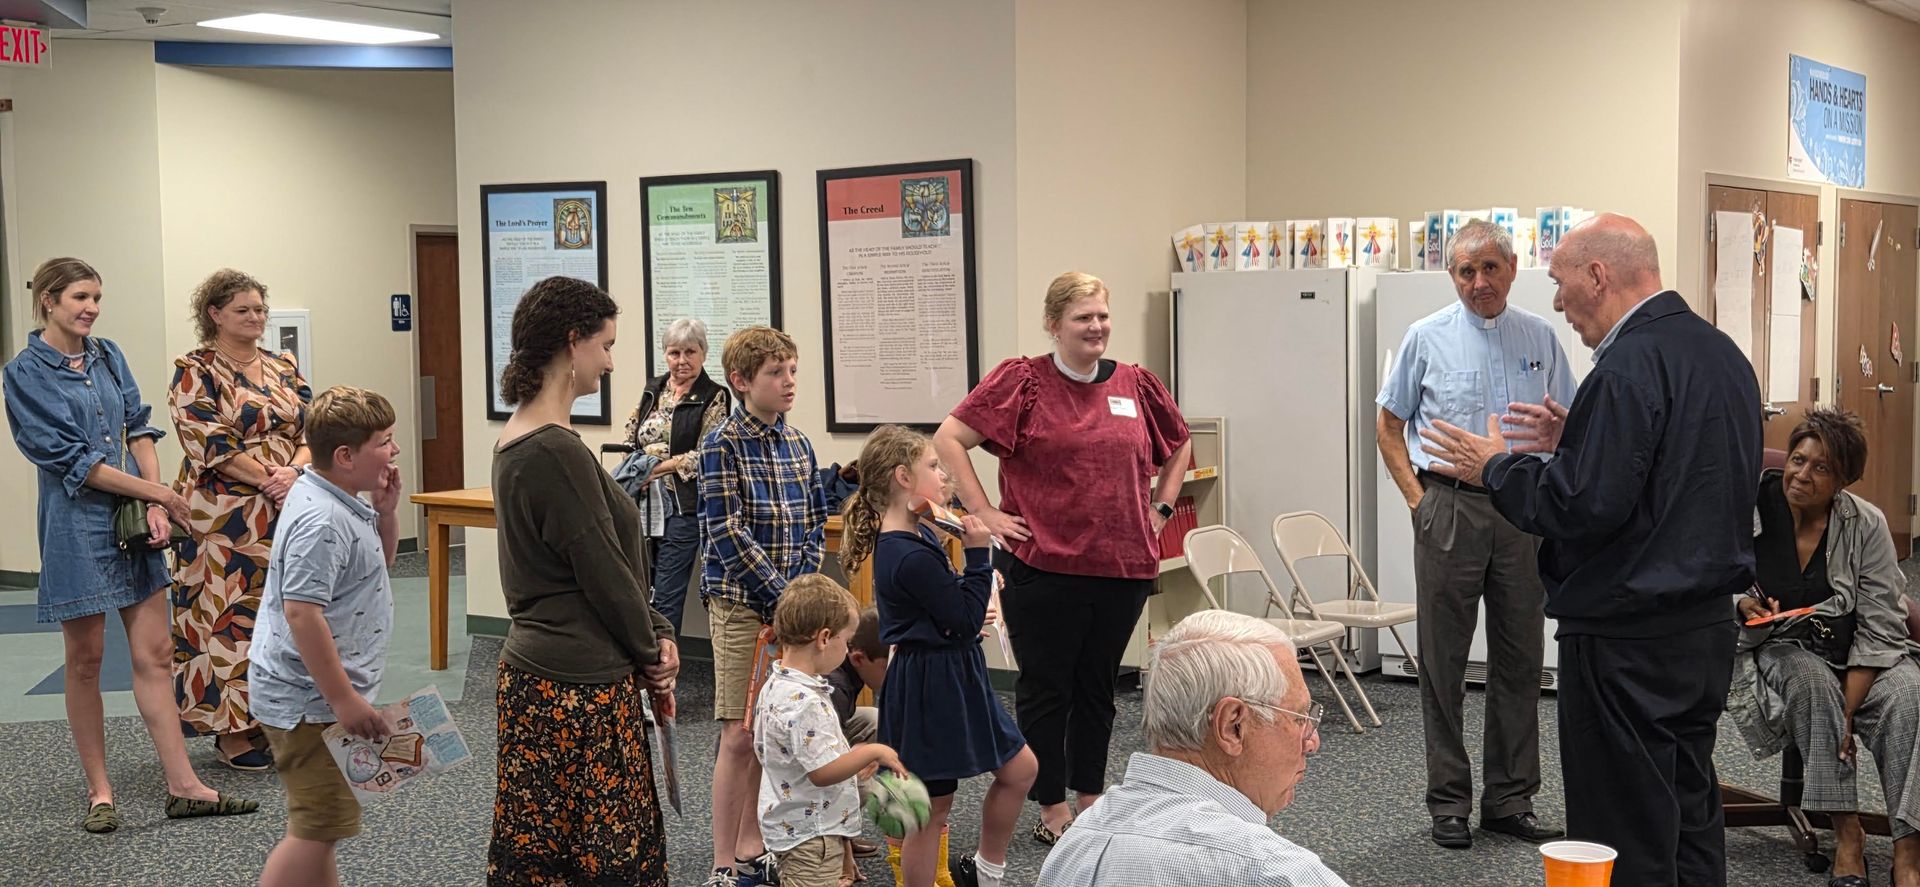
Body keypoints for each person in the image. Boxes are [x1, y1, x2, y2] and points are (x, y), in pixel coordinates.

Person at [1419, 213, 1762, 885]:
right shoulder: (1722, 355)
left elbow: (1580, 506)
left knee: (1625, 828)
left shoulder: (1627, 367)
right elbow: (1675, 469)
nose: (1554, 301)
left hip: (1626, 642)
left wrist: (1496, 466)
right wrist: (1580, 436)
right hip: (1704, 633)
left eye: (1560, 280)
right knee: (1690, 811)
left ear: (1598, 275)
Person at [934, 271, 1191, 845]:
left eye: (1102, 315)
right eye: (1082, 318)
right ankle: (1051, 807)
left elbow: (1178, 443)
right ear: (1054, 325)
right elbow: (948, 438)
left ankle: (1091, 798)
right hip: (1042, 565)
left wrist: (1162, 509)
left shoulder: (1136, 383)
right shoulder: (1022, 382)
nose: (1096, 327)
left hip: (1123, 566)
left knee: (1098, 687)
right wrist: (985, 515)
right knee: (1048, 689)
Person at [3, 257, 256, 834]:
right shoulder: (24, 372)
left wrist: (150, 503)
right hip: (74, 526)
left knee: (156, 656)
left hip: (133, 520)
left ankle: (184, 785)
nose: (91, 308)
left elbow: (139, 428)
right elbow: (73, 461)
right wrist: (161, 494)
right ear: (49, 301)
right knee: (86, 661)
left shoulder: (108, 355)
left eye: (96, 297)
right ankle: (100, 792)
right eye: (79, 298)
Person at [1374, 219, 1571, 848]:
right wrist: (1416, 501)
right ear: (1452, 276)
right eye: (1466, 271)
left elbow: (1568, 425)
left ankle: (1510, 799)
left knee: (1520, 659)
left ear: (1513, 270)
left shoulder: (1540, 338)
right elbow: (1388, 425)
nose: (1478, 283)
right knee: (1443, 664)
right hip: (1449, 510)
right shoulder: (1424, 337)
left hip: (1522, 514)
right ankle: (1449, 803)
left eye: (1490, 269)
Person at [487, 275, 679, 886]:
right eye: (605, 345)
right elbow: (605, 575)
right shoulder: (551, 450)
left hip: (550, 679)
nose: (610, 361)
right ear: (573, 343)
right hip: (575, 689)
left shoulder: (524, 438)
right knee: (599, 858)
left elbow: (608, 566)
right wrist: (653, 653)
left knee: (550, 853)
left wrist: (656, 631)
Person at [1728, 408, 1920, 887]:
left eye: (1821, 468)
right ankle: (1847, 833)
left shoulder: (1866, 525)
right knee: (1811, 681)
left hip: (1859, 650)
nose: (1802, 475)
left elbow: (1882, 625)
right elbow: (1705, 572)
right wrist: (1738, 604)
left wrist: (1849, 712)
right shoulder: (1745, 506)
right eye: (1798, 459)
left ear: (1844, 480)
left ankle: (1907, 849)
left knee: (1909, 690)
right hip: (1778, 647)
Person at [842, 425, 1038, 887]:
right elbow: (962, 620)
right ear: (902, 478)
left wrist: (978, 584)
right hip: (932, 682)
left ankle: (987, 872)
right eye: (932, 466)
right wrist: (978, 560)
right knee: (928, 810)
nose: (944, 475)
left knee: (1019, 768)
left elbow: (951, 609)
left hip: (951, 671)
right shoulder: (906, 552)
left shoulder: (917, 535)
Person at [1036, 609, 1345, 886]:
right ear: (1232, 726)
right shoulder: (1272, 871)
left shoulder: (1077, 843)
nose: (1312, 741)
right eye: (1299, 718)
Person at [251, 386, 402, 887]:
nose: (394, 450)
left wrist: (385, 511)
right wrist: (344, 701)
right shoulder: (323, 519)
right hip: (310, 703)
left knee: (324, 825)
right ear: (344, 456)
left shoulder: (336, 496)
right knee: (315, 828)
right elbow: (301, 615)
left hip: (317, 698)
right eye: (384, 441)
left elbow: (377, 566)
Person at [699, 325, 829, 887]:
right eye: (776, 373)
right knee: (737, 731)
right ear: (742, 381)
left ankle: (755, 841)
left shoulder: (799, 444)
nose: (789, 382)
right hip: (740, 607)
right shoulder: (721, 444)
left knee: (768, 732)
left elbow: (815, 524)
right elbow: (726, 533)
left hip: (788, 608)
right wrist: (783, 597)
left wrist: (797, 599)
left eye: (792, 371)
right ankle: (723, 862)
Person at [169, 268, 313, 770]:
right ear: (215, 315)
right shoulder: (195, 369)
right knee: (224, 619)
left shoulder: (282, 365)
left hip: (285, 506)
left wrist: (293, 472)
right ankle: (228, 731)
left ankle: (267, 719)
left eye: (259, 309)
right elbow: (210, 444)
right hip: (221, 517)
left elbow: (312, 426)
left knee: (275, 618)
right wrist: (268, 477)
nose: (255, 318)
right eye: (242, 311)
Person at [753, 574, 908, 887]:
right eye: (845, 640)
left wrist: (842, 845)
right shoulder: (805, 702)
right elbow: (822, 773)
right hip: (811, 836)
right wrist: (873, 750)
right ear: (824, 638)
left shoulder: (776, 684)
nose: (846, 650)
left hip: (804, 826)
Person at [621, 317, 730, 634]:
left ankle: (663, 669)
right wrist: (633, 467)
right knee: (637, 586)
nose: (682, 361)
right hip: (641, 501)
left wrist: (654, 469)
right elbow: (630, 436)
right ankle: (638, 663)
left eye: (690, 352)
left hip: (682, 506)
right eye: (674, 353)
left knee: (667, 594)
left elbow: (707, 453)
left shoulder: (714, 396)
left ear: (703, 353)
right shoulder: (652, 390)